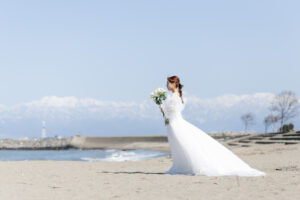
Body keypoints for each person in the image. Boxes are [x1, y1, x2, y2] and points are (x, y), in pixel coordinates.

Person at [160, 75, 266, 176]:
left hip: (175, 123)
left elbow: (171, 112)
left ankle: (191, 166)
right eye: (167, 83)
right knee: (180, 145)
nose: (167, 85)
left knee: (184, 144)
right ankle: (185, 166)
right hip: (173, 123)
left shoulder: (175, 97)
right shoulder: (175, 96)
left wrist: (161, 108)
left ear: (174, 84)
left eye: (169, 83)